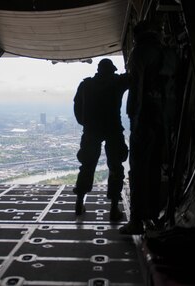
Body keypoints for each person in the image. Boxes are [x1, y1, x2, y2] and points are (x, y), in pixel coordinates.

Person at [120, 18, 166, 234]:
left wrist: (134, 118)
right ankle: (153, 216)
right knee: (155, 168)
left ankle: (137, 220)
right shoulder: (165, 52)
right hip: (163, 118)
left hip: (144, 118)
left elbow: (136, 87)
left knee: (138, 169)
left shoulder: (140, 53)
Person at [73, 58, 129, 221]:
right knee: (116, 167)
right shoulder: (117, 82)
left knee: (87, 166)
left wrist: (85, 123)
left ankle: (79, 202)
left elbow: (77, 105)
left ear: (98, 70)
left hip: (91, 130)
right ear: (111, 70)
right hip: (113, 129)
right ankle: (113, 208)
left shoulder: (86, 84)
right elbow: (133, 77)